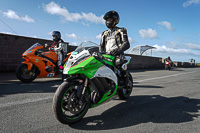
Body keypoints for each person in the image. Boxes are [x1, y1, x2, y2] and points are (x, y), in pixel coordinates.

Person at [100, 10, 130, 86]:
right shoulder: (104, 33)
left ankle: (125, 79)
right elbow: (101, 46)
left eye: (110, 19)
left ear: (115, 20)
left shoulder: (121, 30)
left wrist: (118, 50)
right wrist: (101, 53)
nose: (108, 21)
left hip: (117, 54)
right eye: (107, 20)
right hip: (106, 55)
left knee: (118, 62)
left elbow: (126, 43)